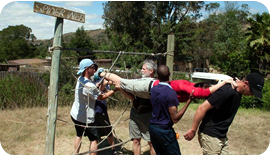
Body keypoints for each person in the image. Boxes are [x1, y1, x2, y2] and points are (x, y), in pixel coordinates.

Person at [184, 73, 265, 155]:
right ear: (246, 83)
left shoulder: (237, 91)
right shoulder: (227, 91)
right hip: (211, 135)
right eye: (252, 91)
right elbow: (202, 108)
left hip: (222, 136)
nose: (252, 95)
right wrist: (193, 130)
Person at [70, 59, 119, 155]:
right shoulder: (89, 86)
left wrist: (97, 85)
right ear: (87, 69)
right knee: (94, 140)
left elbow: (90, 90)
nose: (95, 70)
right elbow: (101, 97)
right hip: (86, 118)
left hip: (76, 115)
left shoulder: (80, 79)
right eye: (93, 68)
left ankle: (75, 153)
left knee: (79, 135)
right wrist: (115, 90)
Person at [98, 70, 236, 102]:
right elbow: (203, 93)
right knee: (122, 82)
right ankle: (101, 73)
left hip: (150, 92)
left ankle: (106, 82)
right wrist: (223, 82)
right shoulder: (185, 85)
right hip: (149, 87)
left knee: (122, 85)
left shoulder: (188, 92)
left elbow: (205, 93)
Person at [149, 65, 194, 155]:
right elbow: (175, 119)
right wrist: (189, 101)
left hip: (153, 128)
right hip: (164, 130)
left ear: (157, 77)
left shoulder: (153, 90)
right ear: (169, 74)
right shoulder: (170, 93)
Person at [92, 68, 118, 155]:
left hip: (102, 109)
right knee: (104, 131)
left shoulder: (105, 81)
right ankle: (111, 150)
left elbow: (111, 84)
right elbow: (99, 95)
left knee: (107, 130)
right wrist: (113, 90)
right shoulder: (95, 81)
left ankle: (112, 149)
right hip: (97, 110)